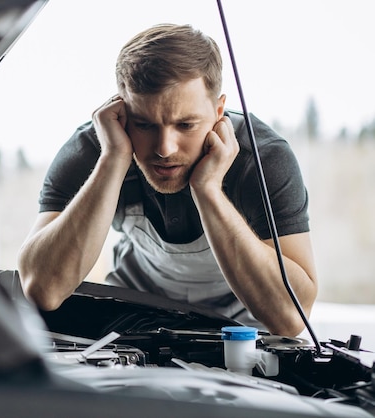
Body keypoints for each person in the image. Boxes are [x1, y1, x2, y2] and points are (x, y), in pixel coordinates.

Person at [17, 23, 317, 337]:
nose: (164, 149)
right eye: (144, 124)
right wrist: (112, 161)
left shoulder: (262, 160)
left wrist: (209, 190)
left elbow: (290, 318)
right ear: (120, 110)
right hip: (132, 320)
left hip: (244, 332)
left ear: (218, 111)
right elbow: (43, 289)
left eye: (185, 125)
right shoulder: (95, 150)